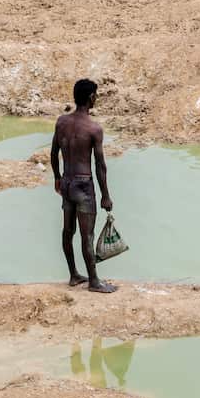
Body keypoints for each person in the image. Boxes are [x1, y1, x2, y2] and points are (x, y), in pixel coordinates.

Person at [51, 78, 116, 293]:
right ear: (91, 97)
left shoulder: (61, 122)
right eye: (96, 95)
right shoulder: (93, 129)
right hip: (83, 186)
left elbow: (53, 153)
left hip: (67, 183)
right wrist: (105, 195)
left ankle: (73, 275)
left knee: (67, 231)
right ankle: (94, 282)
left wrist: (57, 178)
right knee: (86, 235)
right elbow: (100, 166)